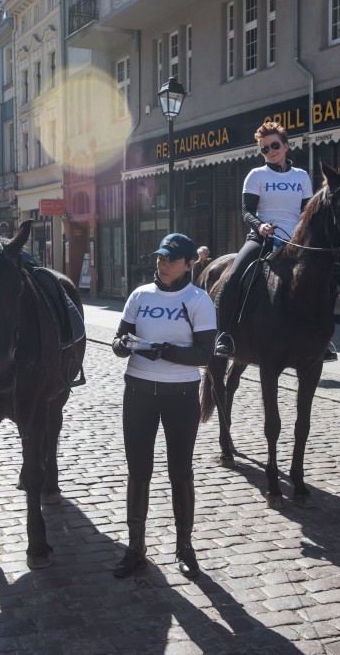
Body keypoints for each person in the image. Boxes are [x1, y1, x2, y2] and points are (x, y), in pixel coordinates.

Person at [110, 232, 216, 580]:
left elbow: (204, 354)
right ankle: (135, 547)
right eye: (160, 257)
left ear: (189, 264)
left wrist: (166, 351)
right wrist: (123, 345)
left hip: (180, 395)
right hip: (138, 391)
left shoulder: (198, 300)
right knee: (138, 471)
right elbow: (119, 338)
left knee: (180, 471)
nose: (163, 263)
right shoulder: (140, 295)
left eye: (171, 259)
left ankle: (185, 547)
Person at [214, 122, 313, 357]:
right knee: (234, 277)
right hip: (261, 239)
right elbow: (247, 211)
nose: (270, 151)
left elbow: (307, 212)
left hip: (295, 241)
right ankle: (224, 335)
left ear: (286, 146)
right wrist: (261, 226)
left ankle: (321, 338)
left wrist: (301, 234)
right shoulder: (256, 175)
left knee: (323, 278)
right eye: (264, 149)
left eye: (275, 145)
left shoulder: (301, 176)